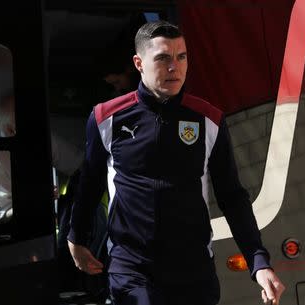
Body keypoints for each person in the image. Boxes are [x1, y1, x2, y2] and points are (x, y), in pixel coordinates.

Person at [67, 20, 285, 305]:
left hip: (194, 272)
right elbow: (90, 184)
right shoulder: (105, 118)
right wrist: (76, 237)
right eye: (163, 58)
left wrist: (259, 262)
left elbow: (232, 196)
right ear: (139, 63)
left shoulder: (209, 120)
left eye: (181, 57)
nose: (174, 67)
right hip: (133, 270)